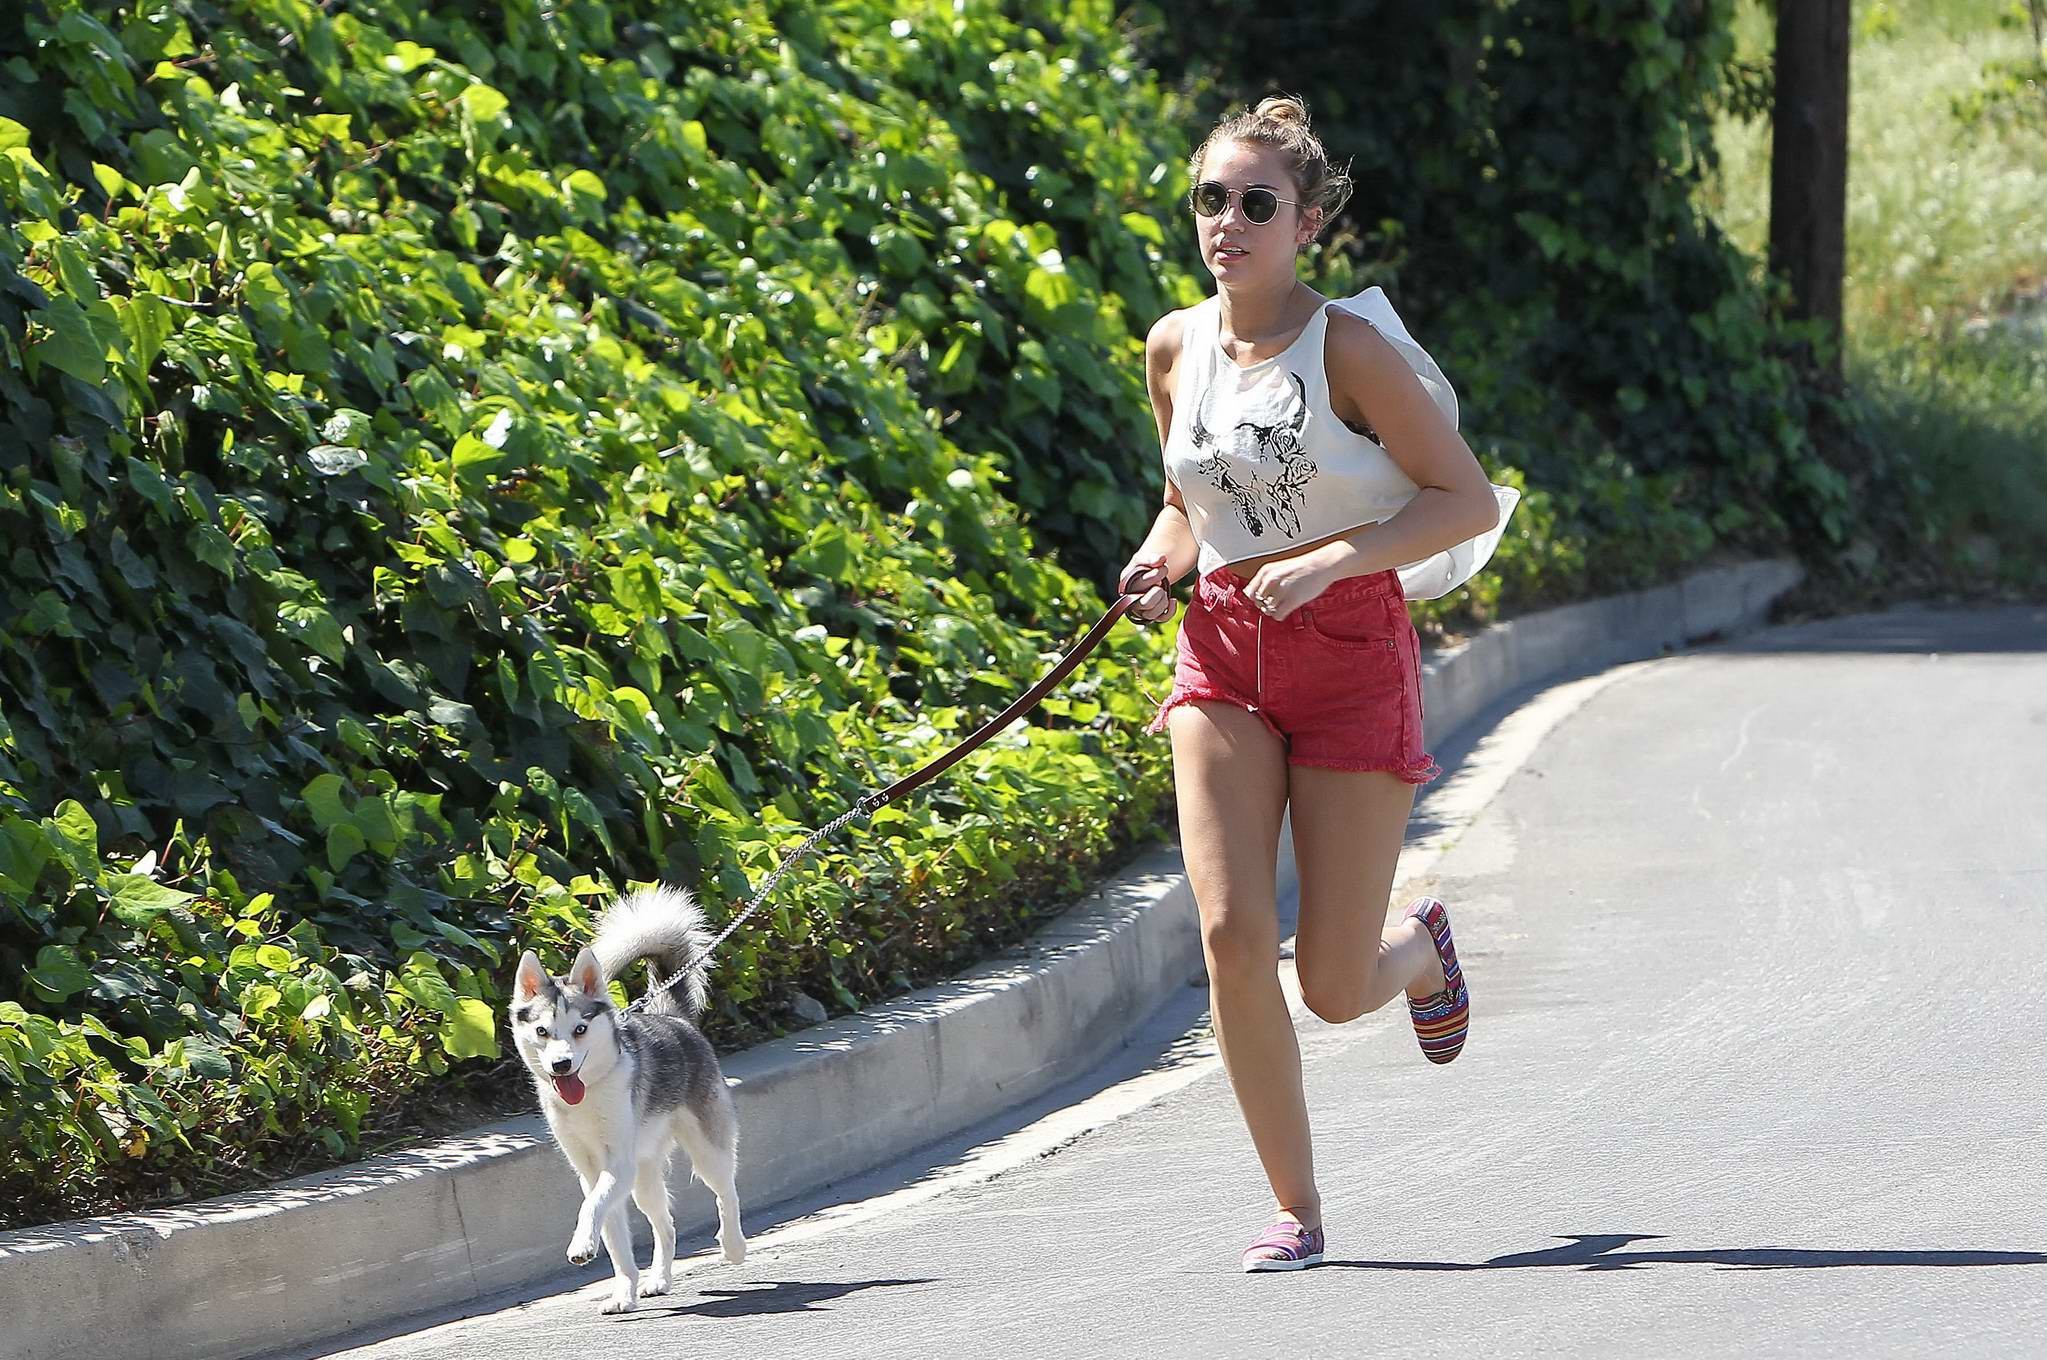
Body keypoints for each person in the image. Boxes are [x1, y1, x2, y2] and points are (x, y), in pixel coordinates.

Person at [1117, 95, 1508, 1272]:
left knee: (1334, 987)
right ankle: (1298, 1207)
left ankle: (1419, 949)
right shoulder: (1174, 346)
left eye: (1255, 203)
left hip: (1347, 652)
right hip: (1226, 653)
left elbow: (1465, 499)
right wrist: (1159, 559)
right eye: (1208, 201)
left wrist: (1332, 560)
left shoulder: (1348, 349)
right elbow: (1193, 500)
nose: (1225, 224)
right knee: (1233, 931)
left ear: (1309, 222)